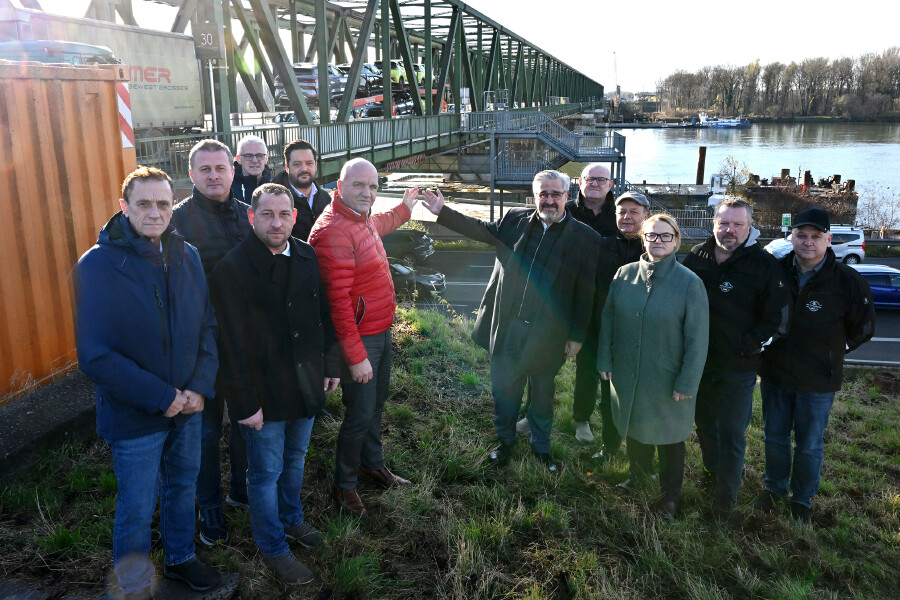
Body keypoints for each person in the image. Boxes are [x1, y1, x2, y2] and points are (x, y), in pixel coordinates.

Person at [74, 167, 221, 599]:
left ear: (171, 207)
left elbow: (207, 327)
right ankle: (134, 584)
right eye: (143, 204)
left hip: (189, 406)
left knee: (181, 489)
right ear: (124, 207)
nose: (154, 212)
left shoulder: (187, 255)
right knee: (136, 506)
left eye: (162, 203)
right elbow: (95, 354)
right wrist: (162, 397)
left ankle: (180, 559)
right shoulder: (99, 265)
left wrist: (198, 387)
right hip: (135, 413)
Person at [421, 170, 602, 472]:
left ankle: (542, 448)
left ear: (566, 196)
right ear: (534, 196)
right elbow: (480, 229)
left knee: (542, 395)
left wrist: (577, 335)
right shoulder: (515, 220)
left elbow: (586, 292)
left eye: (555, 194)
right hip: (508, 325)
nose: (549, 200)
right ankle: (505, 442)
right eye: (543, 194)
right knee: (505, 391)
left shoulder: (586, 237)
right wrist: (442, 212)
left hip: (549, 333)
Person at [209, 183, 340, 585]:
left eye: (284, 214)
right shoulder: (231, 269)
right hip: (263, 393)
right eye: (267, 214)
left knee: (296, 458)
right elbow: (228, 345)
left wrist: (330, 363)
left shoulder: (305, 254)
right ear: (252, 216)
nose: (276, 222)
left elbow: (323, 313)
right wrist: (244, 403)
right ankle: (273, 547)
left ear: (294, 217)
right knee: (263, 472)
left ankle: (292, 519)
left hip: (305, 385)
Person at [308, 158, 419, 516]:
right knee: (359, 413)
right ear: (339, 187)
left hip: (379, 329)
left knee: (377, 403)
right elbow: (338, 304)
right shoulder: (333, 231)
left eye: (373, 187)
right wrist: (355, 356)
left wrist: (405, 207)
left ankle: (372, 464)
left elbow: (380, 222)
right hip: (361, 338)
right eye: (359, 186)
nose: (367, 193)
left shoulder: (360, 218)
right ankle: (345, 485)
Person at [756, 207, 875, 524]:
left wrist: (835, 350)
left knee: (808, 445)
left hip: (818, 380)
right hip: (775, 373)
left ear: (828, 239)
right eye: (801, 235)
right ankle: (774, 489)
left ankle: (802, 501)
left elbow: (864, 328)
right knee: (774, 437)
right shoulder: (774, 272)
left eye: (815, 236)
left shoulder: (848, 281)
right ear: (791, 236)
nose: (808, 242)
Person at [682, 197, 790, 521]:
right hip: (700, 363)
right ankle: (711, 473)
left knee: (731, 432)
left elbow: (778, 319)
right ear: (713, 222)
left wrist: (748, 344)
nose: (729, 230)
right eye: (723, 223)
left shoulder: (764, 266)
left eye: (737, 224)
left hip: (738, 367)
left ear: (749, 226)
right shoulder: (697, 256)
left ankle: (725, 500)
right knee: (704, 425)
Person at [598, 214, 709, 519]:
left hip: (666, 375)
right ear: (642, 238)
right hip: (627, 370)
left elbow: (697, 339)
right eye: (651, 235)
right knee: (634, 424)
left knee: (670, 437)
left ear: (676, 240)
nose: (657, 241)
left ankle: (669, 498)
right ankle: (638, 476)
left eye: (665, 236)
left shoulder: (690, 284)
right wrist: (604, 359)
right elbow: (608, 318)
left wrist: (687, 382)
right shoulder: (624, 274)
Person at [171, 138, 250, 545]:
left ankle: (240, 489)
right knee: (203, 432)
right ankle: (209, 507)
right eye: (205, 170)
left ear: (232, 171)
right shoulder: (177, 221)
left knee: (244, 421)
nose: (214, 176)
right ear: (192, 175)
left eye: (220, 168)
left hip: (245, 344)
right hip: (201, 347)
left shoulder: (248, 214)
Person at [516, 164, 619, 445]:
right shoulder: (563, 208)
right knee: (540, 364)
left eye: (601, 179)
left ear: (610, 184)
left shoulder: (617, 216)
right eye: (589, 179)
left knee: (588, 365)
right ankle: (532, 412)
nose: (595, 183)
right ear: (579, 183)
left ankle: (581, 418)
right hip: (562, 303)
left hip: (602, 303)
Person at [589, 192, 651, 463]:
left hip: (645, 337)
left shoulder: (655, 248)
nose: (626, 217)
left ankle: (643, 456)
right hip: (610, 334)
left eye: (633, 212)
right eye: (621, 211)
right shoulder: (601, 246)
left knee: (643, 399)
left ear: (646, 216)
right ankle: (610, 444)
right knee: (608, 396)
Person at [273, 139, 332, 241]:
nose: (304, 169)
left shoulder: (325, 198)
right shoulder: (273, 200)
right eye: (297, 164)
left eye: (309, 163)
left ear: (316, 165)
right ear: (287, 167)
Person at [231, 134, 273, 203]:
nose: (254, 160)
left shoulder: (276, 187)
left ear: (266, 158)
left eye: (259, 155)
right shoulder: (228, 190)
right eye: (248, 156)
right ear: (238, 159)